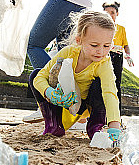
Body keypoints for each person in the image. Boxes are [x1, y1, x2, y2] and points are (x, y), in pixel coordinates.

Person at [29, 10, 122, 141]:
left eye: (107, 45)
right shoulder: (68, 52)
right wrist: (50, 93)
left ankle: (95, 128)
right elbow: (39, 77)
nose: (101, 51)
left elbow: (110, 93)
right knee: (35, 74)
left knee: (99, 85)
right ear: (79, 40)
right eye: (94, 45)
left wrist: (114, 127)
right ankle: (54, 125)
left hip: (86, 106)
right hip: (62, 101)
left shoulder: (103, 63)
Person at [102, 1, 133, 109]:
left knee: (116, 83)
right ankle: (101, 113)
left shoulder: (121, 29)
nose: (110, 16)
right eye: (106, 13)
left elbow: (126, 45)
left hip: (117, 57)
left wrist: (128, 55)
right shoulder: (101, 28)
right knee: (102, 83)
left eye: (112, 13)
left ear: (117, 14)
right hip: (104, 56)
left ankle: (116, 113)